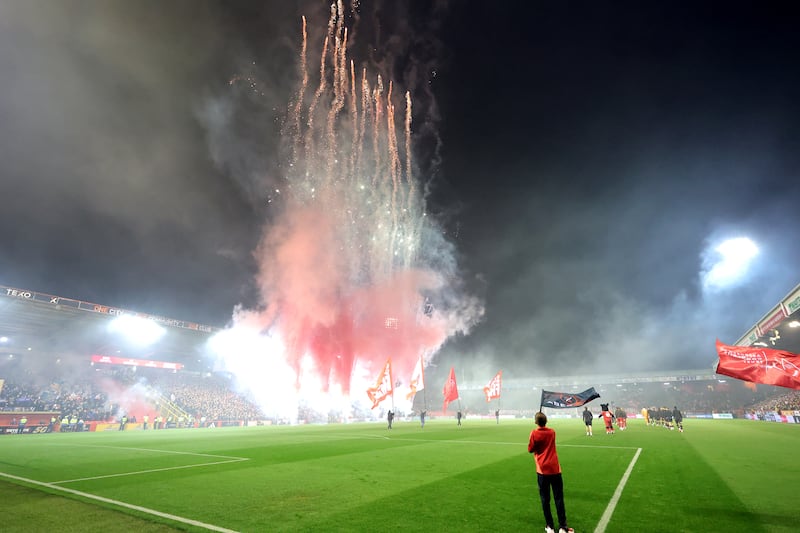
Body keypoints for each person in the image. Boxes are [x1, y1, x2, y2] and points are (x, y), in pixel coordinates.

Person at [528, 412, 574, 533]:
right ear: (546, 421)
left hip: (542, 470)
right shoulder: (552, 432)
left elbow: (530, 449)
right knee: (559, 498)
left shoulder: (534, 433)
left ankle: (550, 526)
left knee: (545, 499)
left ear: (535, 422)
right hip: (555, 469)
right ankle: (563, 527)